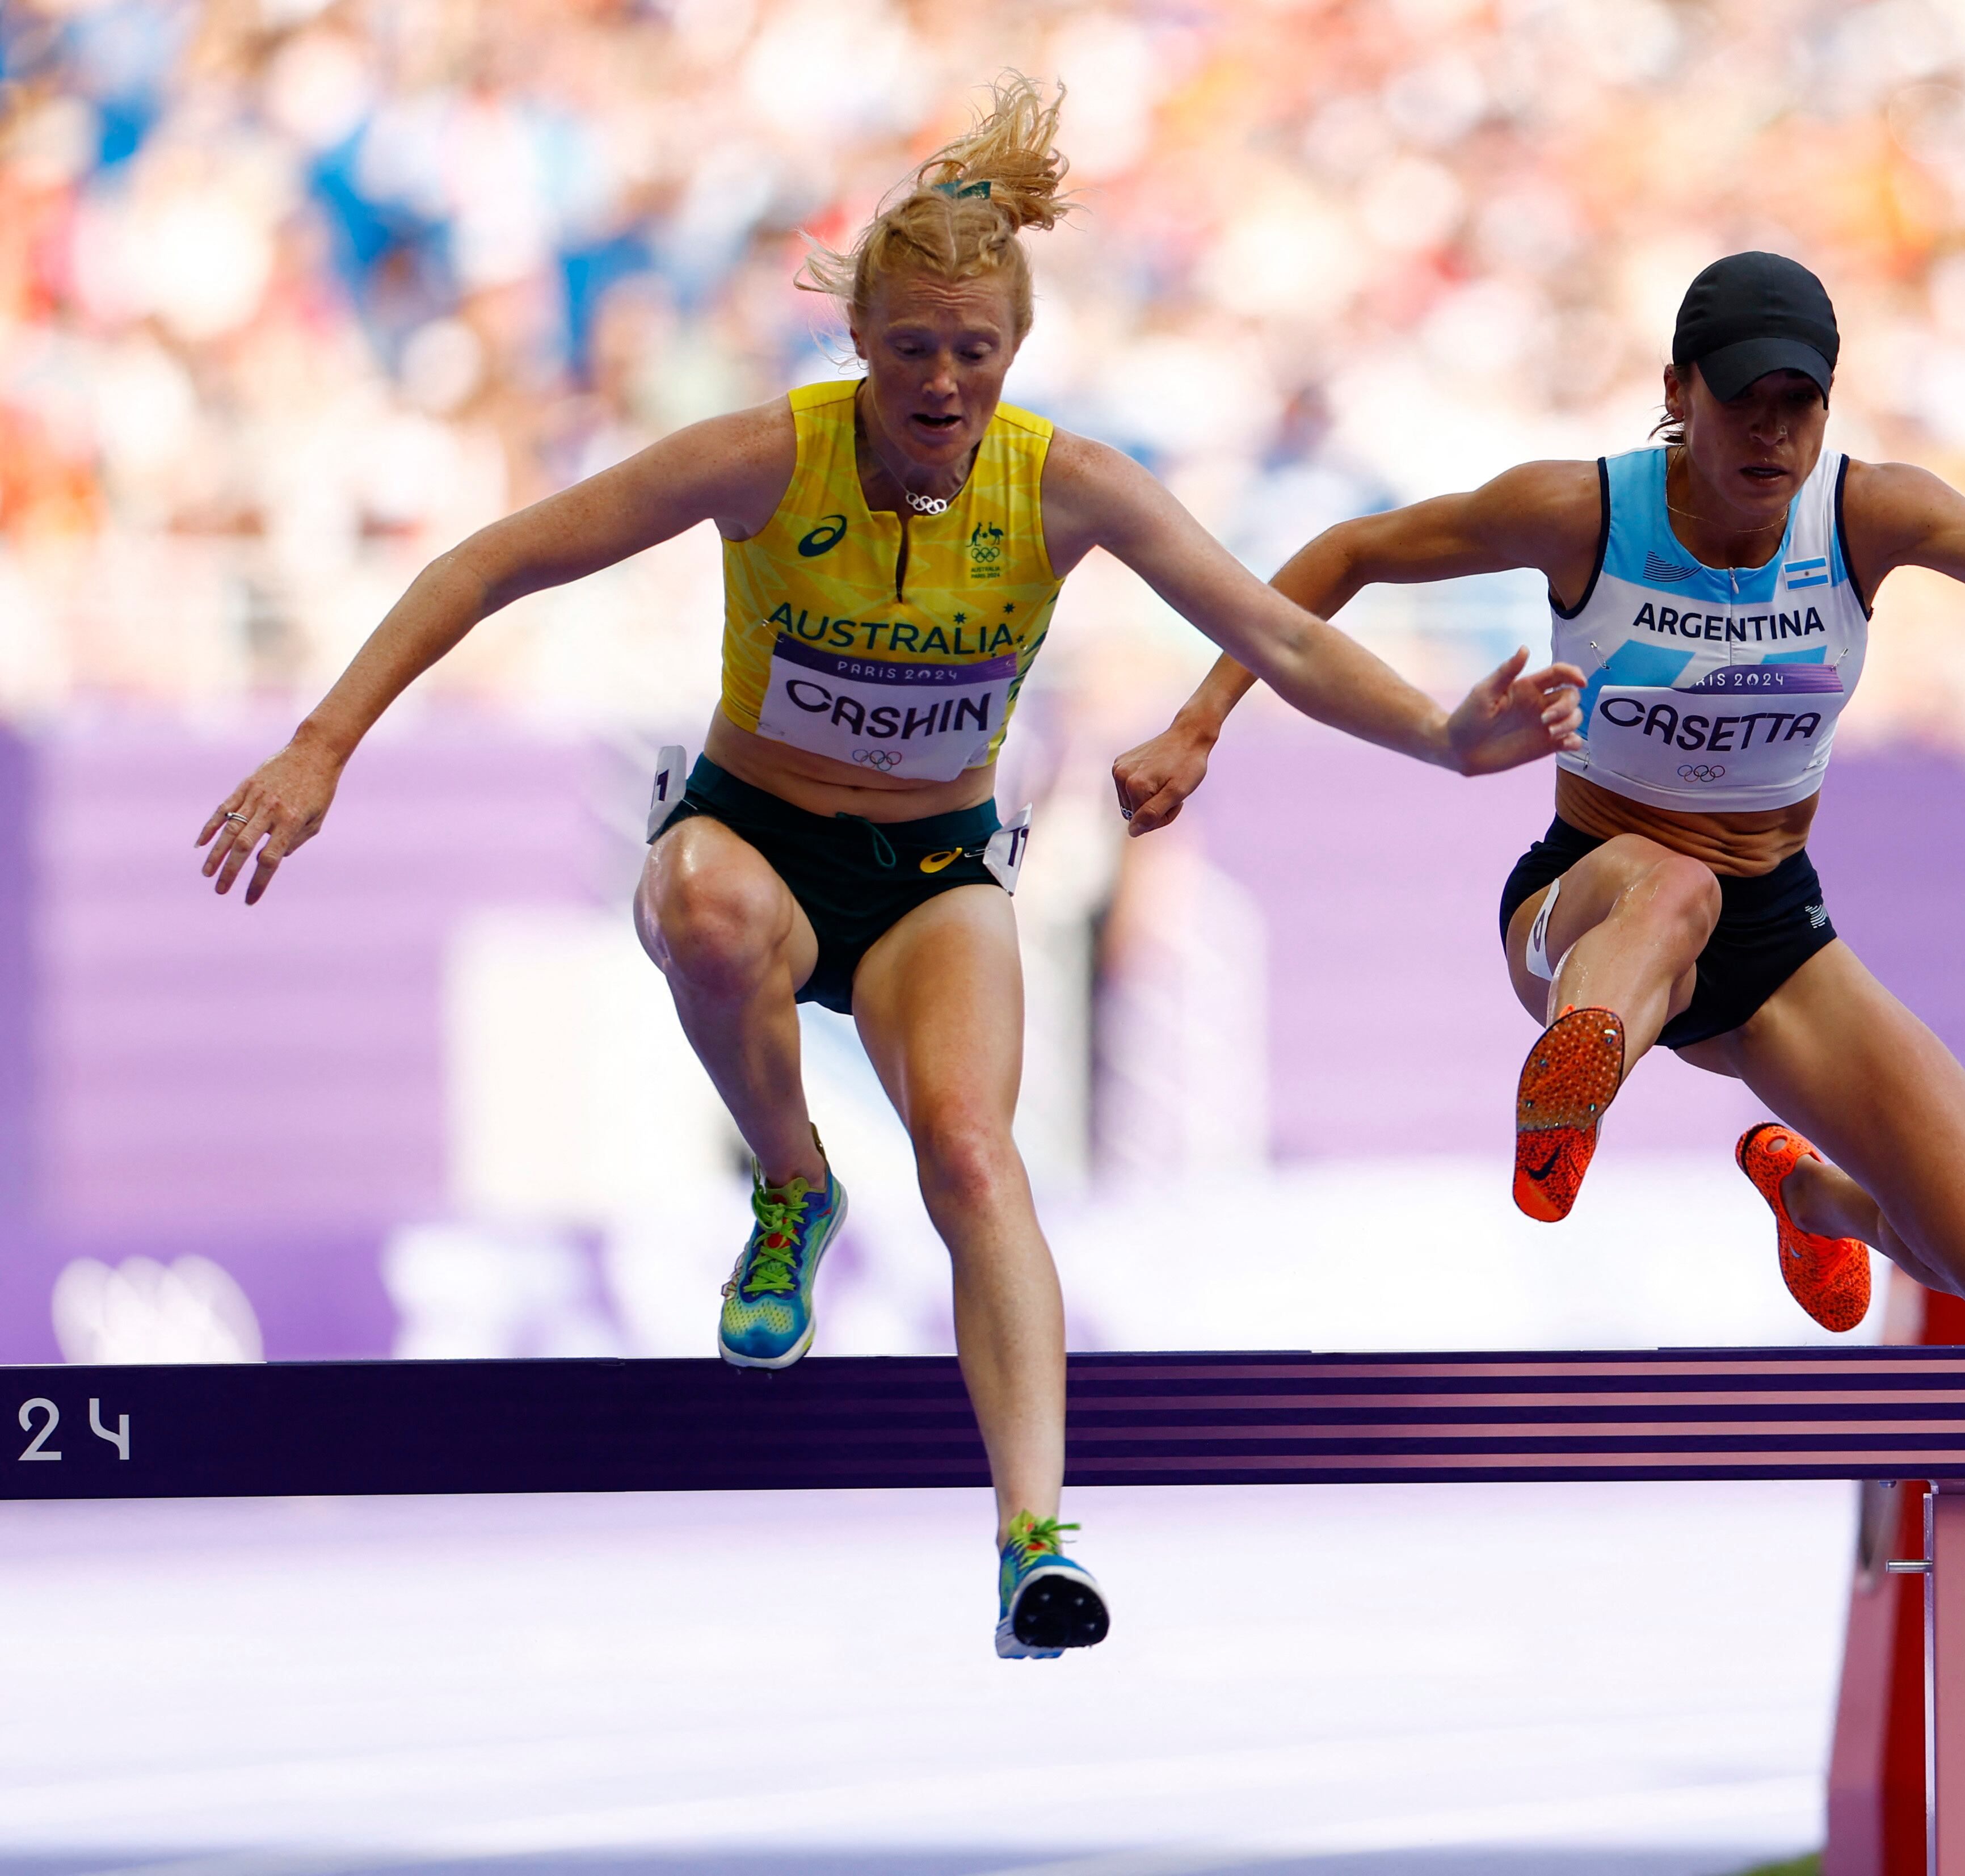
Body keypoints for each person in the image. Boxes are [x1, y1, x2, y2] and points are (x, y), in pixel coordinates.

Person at [192, 78, 1584, 1660]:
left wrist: (1442, 733)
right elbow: (492, 559)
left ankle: (1034, 1540)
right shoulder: (763, 459)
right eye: (911, 348)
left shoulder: (1066, 486)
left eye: (973, 352)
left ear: (1014, 351)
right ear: (857, 337)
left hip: (933, 871)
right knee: (699, 907)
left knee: (978, 1161)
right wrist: (322, 743)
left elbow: (1272, 632)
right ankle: (790, 1180)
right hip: (758, 836)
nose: (939, 383)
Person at [1112, 251, 1965, 1335]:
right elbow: (1347, 552)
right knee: (1676, 886)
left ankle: (1813, 1201)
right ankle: (1574, 1083)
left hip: (1774, 930)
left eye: (1802, 402)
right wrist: (1198, 722)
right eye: (1746, 399)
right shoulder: (1584, 513)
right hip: (1590, 901)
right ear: (1676, 394)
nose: (1774, 431)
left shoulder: (1863, 516)